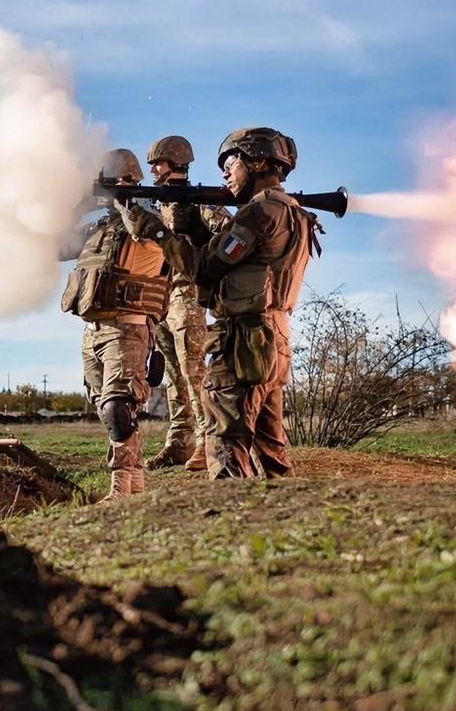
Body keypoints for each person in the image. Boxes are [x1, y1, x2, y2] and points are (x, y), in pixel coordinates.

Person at [119, 128, 320, 478]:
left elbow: (202, 267)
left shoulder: (258, 213)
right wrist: (194, 228)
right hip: (273, 338)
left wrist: (156, 231)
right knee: (270, 452)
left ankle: (231, 508)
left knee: (226, 446)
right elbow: (233, 259)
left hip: (245, 342)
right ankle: (283, 510)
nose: (225, 174)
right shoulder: (292, 212)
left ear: (258, 162)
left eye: (231, 164)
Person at [60, 149, 170, 501]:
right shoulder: (99, 229)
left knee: (117, 407)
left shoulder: (148, 220)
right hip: (93, 331)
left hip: (127, 329)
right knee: (107, 410)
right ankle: (134, 483)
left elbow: (147, 230)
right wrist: (77, 205)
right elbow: (58, 246)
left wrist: (126, 199)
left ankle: (120, 487)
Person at [144, 136, 231, 473]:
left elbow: (228, 230)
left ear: (177, 162)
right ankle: (180, 441)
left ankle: (207, 441)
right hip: (161, 297)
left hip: (188, 295)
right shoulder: (157, 204)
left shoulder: (197, 200)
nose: (153, 169)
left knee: (192, 369)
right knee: (172, 374)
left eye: (159, 163)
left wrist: (203, 258)